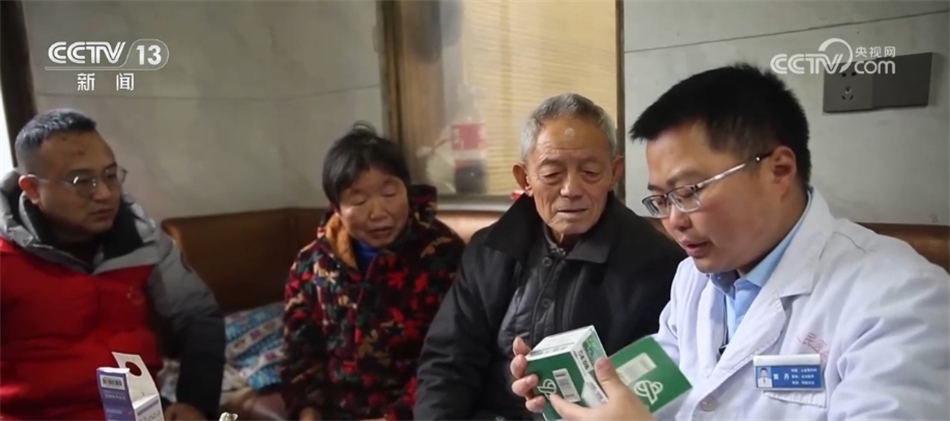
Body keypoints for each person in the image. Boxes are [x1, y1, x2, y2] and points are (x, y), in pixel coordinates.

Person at [509, 63, 950, 420]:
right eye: (662, 199)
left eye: (690, 191)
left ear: (778, 170)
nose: (674, 221)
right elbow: (658, 383)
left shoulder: (899, 300)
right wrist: (575, 392)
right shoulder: (693, 279)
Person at [414, 93, 685, 420]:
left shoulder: (658, 265)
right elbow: (448, 363)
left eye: (590, 171)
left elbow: (653, 388)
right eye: (552, 173)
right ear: (525, 178)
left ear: (614, 172)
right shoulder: (489, 249)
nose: (571, 189)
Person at [0, 109, 225, 420]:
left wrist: (196, 403)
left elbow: (197, 314)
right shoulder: (6, 257)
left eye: (109, 175)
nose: (105, 194)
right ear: (33, 190)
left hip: (139, 409)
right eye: (82, 181)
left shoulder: (141, 239)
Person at [280, 123, 466, 421]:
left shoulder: (443, 254)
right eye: (358, 200)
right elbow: (300, 358)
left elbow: (451, 356)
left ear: (407, 191)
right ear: (336, 207)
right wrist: (308, 415)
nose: (378, 212)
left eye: (389, 193)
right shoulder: (310, 264)